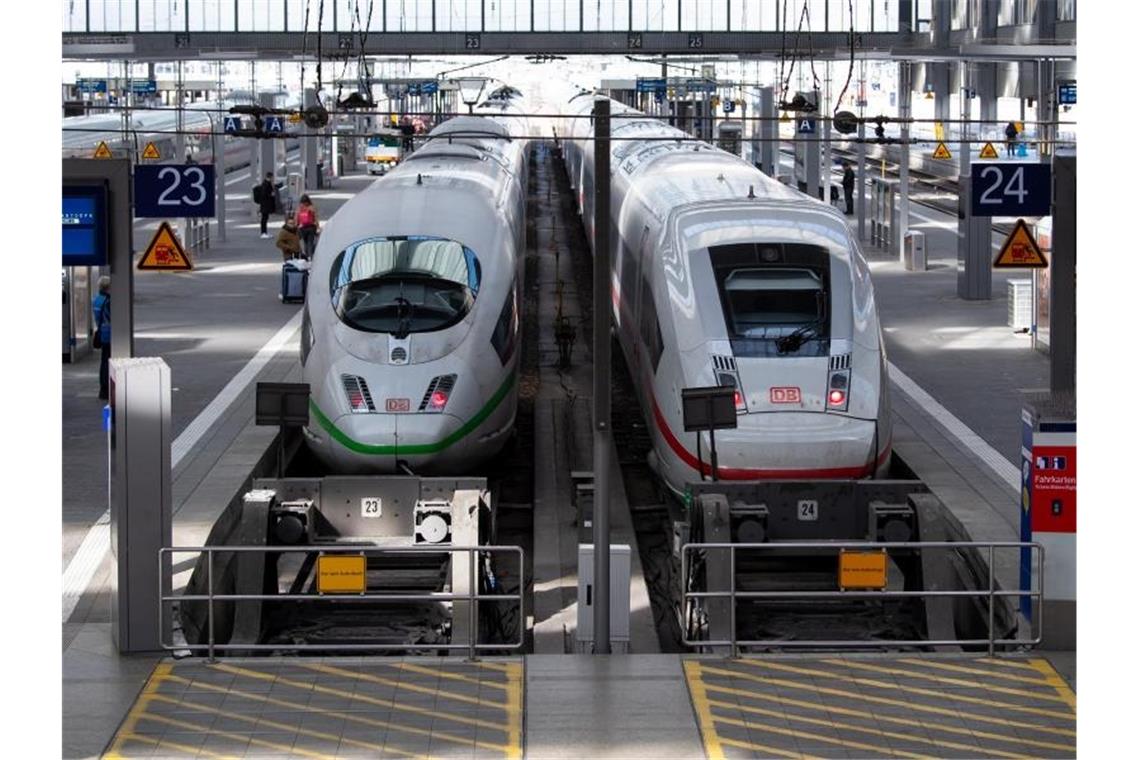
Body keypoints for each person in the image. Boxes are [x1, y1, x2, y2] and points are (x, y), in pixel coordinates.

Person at [92, 277, 111, 400]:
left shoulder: (96, 300)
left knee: (104, 361)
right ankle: (106, 388)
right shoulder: (108, 301)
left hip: (101, 332)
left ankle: (103, 389)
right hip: (109, 333)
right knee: (109, 362)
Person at [256, 172, 276, 238]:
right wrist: (271, 195)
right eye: (272, 177)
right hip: (265, 204)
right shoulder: (266, 184)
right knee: (264, 219)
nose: (273, 178)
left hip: (265, 204)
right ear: (270, 177)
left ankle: (265, 232)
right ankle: (263, 233)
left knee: (265, 218)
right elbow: (265, 194)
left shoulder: (265, 183)